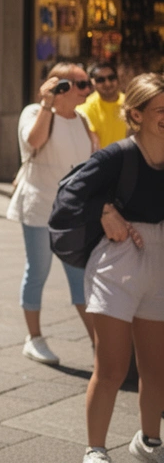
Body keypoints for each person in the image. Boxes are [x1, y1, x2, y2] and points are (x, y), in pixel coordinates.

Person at [59, 74, 164, 463]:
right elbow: (67, 196)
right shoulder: (117, 156)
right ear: (136, 114)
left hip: (160, 264)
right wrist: (104, 211)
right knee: (112, 368)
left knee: (156, 369)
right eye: (161, 110)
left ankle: (149, 442)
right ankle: (96, 450)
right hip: (117, 264)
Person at [7, 62, 96, 366]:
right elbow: (34, 141)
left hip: (73, 213)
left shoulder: (82, 119)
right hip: (40, 206)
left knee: (81, 276)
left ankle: (99, 344)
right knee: (38, 271)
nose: (87, 89)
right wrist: (47, 103)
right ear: (62, 86)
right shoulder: (34, 112)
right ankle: (33, 338)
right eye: (81, 84)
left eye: (87, 83)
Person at [78, 63, 127, 149]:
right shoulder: (85, 109)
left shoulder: (130, 104)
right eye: (100, 80)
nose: (107, 83)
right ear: (92, 83)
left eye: (111, 78)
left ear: (118, 79)